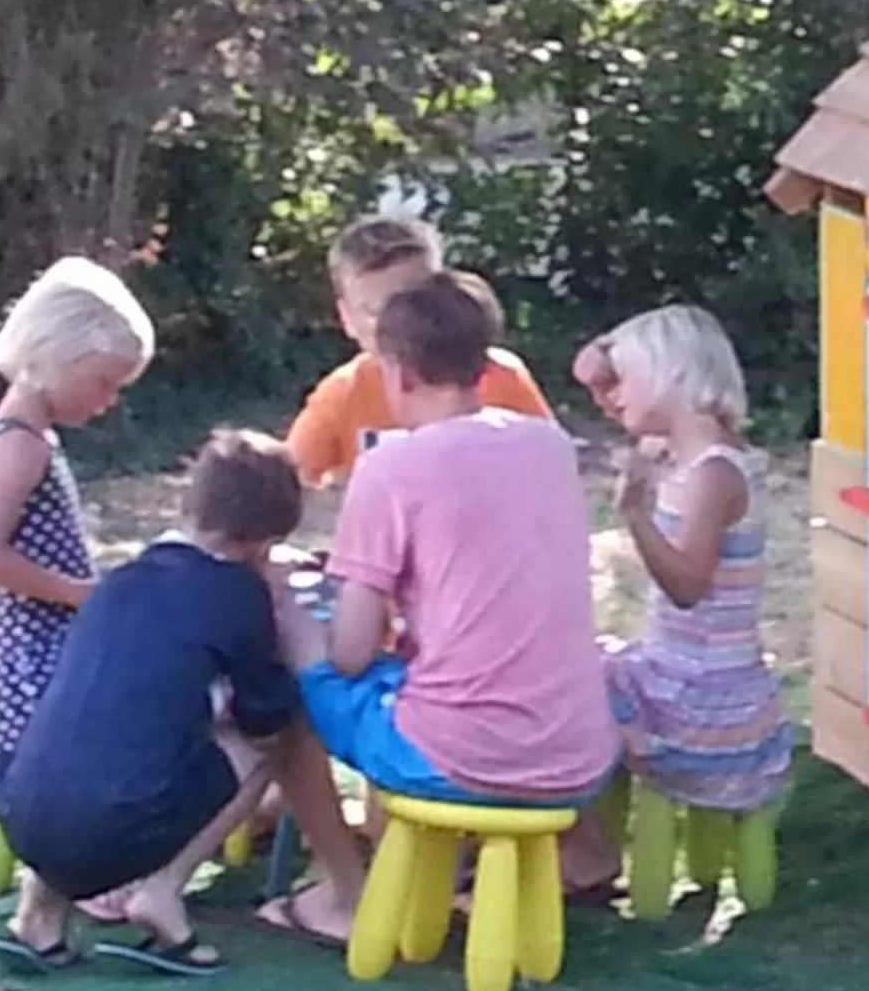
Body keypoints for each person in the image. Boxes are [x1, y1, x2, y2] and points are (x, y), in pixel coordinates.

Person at [0, 431, 373, 974]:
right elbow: (263, 714)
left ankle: (37, 917)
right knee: (272, 742)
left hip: (22, 813)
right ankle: (163, 892)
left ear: (191, 504)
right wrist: (283, 617)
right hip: (116, 827)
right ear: (268, 537)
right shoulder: (237, 596)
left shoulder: (120, 581)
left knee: (88, 745)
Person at [284, 279, 617, 887]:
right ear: (487, 366)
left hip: (457, 758)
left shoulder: (390, 468)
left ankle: (337, 886)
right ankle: (580, 855)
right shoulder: (550, 447)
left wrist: (300, 605)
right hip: (578, 752)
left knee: (308, 659)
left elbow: (353, 655)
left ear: (397, 373)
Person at [590, 307, 793, 839]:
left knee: (571, 688)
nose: (611, 396)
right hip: (683, 673)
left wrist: (634, 513)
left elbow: (687, 586)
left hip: (700, 698)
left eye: (624, 381)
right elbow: (589, 366)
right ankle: (592, 844)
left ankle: (585, 849)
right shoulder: (691, 455)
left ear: (669, 376)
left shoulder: (714, 473)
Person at [0, 257, 156, 803]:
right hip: (31, 656)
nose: (108, 401)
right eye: (103, 383)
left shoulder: (30, 436)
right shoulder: (20, 444)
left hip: (42, 647)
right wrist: (79, 595)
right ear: (57, 356)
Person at [284, 218, 553, 486]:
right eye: (376, 312)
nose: (398, 324)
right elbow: (283, 484)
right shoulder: (344, 393)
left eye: (416, 304)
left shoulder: (499, 376)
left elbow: (552, 472)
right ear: (347, 318)